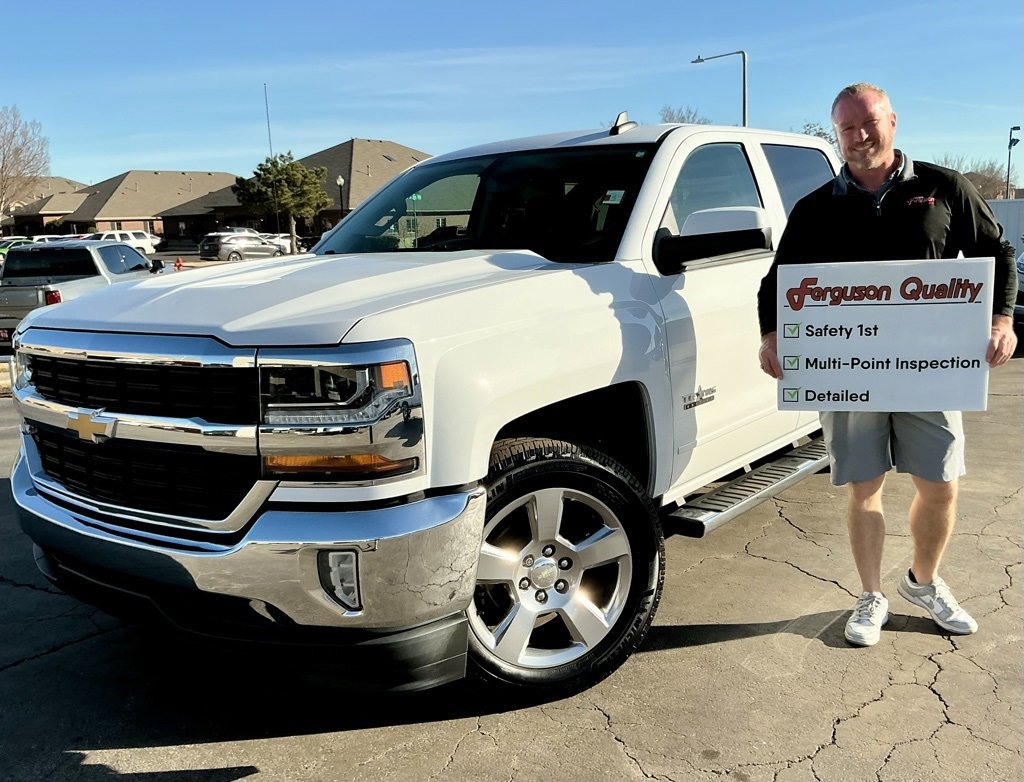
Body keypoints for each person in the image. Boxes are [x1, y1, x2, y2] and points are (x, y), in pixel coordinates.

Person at [756, 82, 1017, 647]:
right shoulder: (816, 207)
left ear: (892, 122)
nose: (859, 136)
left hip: (933, 369)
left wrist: (1002, 320)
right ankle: (871, 594)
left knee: (941, 483)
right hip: (850, 372)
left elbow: (997, 251)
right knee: (864, 487)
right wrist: (771, 336)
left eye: (868, 122)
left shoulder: (943, 187)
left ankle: (923, 581)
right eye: (846, 127)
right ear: (837, 134)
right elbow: (778, 280)